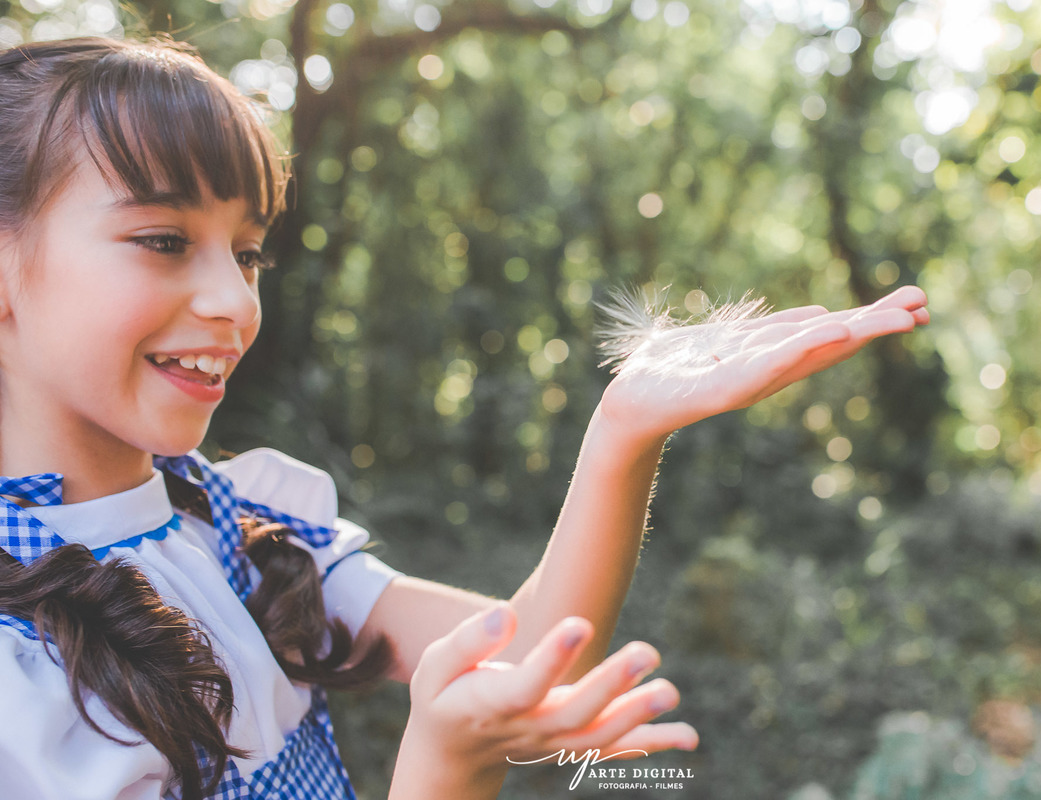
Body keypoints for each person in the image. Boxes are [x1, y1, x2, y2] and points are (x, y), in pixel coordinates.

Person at [0, 35, 929, 800]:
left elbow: (527, 661)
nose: (234, 303)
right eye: (163, 240)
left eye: (247, 254)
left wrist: (624, 432)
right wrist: (449, 771)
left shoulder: (236, 526)